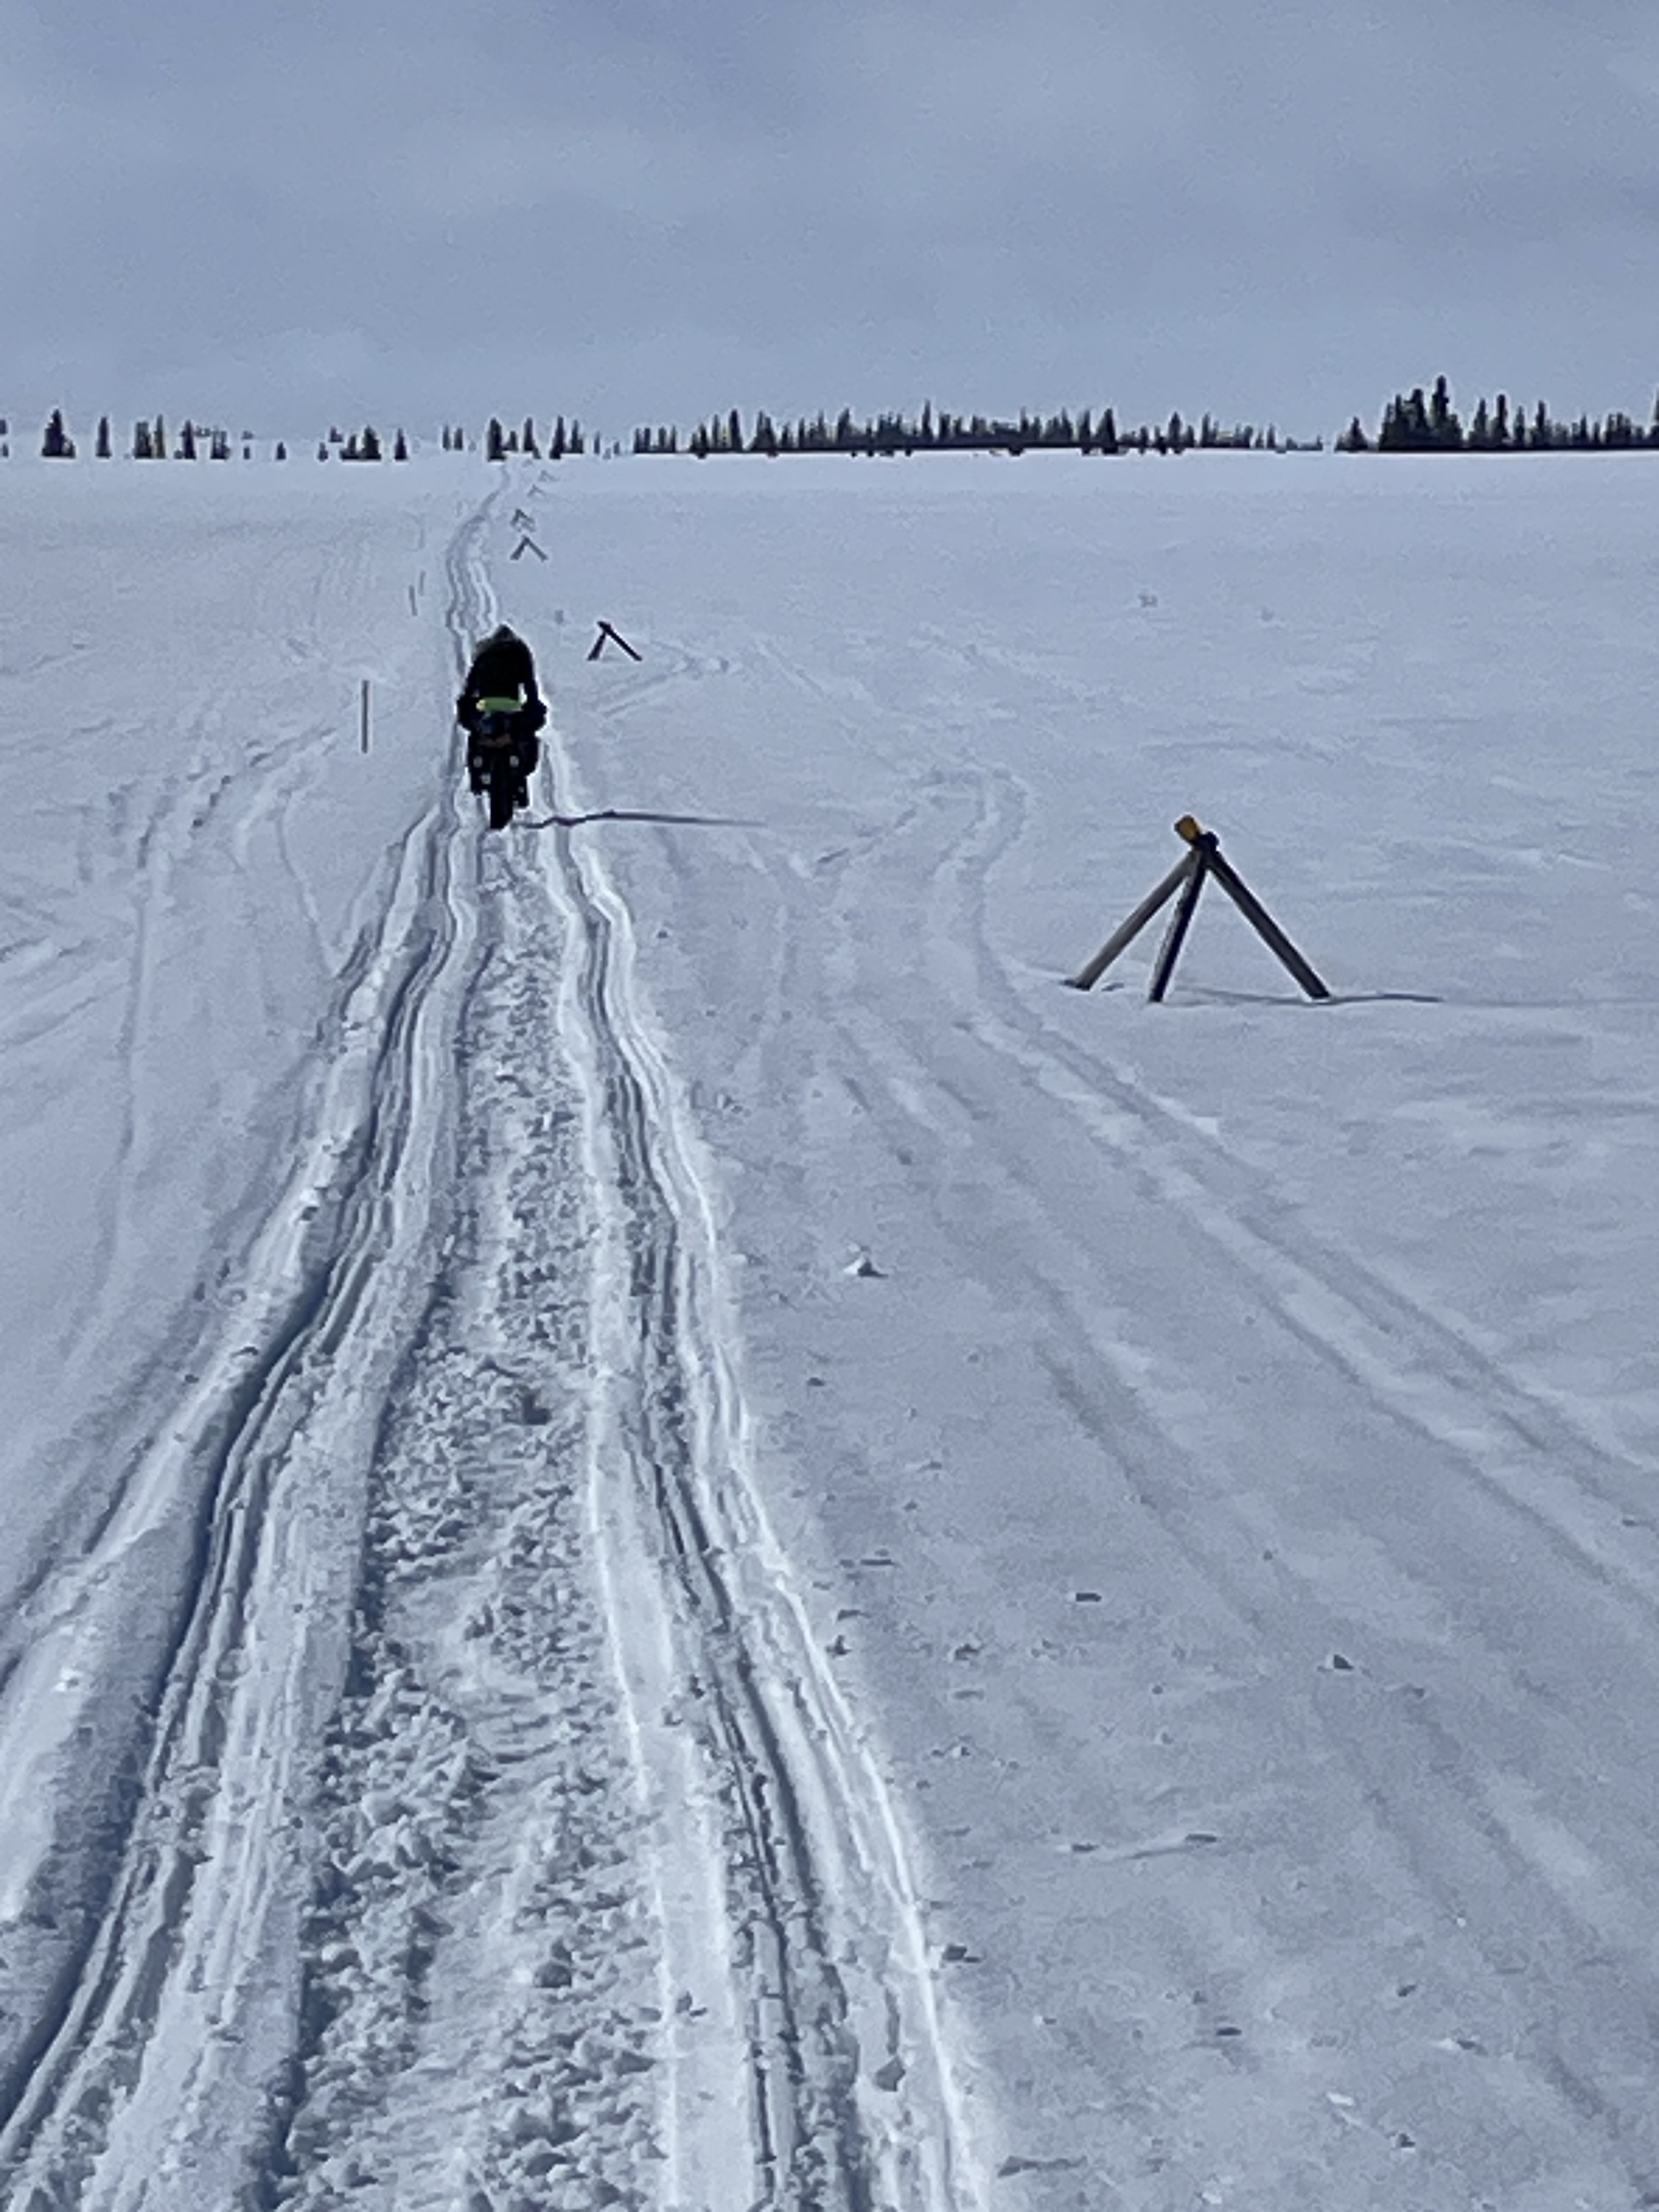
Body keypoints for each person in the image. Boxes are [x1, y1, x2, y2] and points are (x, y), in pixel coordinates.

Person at [457, 623, 547, 804]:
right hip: (512, 709)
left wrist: (467, 710)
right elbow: (530, 688)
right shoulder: (520, 657)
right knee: (526, 734)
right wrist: (534, 708)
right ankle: (520, 772)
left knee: (475, 735)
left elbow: (469, 690)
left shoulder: (483, 658)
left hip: (485, 708)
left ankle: (477, 776)